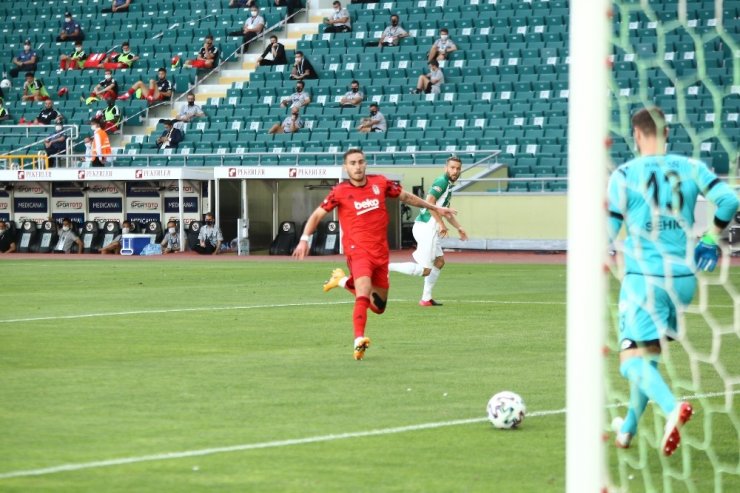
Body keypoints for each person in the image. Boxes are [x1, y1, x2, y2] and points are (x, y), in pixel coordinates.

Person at [607, 107, 739, 457]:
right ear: (667, 133)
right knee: (646, 359)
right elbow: (729, 200)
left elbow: (607, 232)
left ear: (636, 135)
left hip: (644, 280)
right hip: (682, 281)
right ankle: (627, 432)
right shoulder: (690, 167)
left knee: (630, 361)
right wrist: (710, 238)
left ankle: (672, 409)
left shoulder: (623, 174)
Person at [292, 149, 457, 360]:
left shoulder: (380, 183)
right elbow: (317, 214)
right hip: (357, 251)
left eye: (360, 162)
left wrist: (435, 208)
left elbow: (407, 197)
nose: (357, 166)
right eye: (352, 163)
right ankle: (358, 340)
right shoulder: (340, 191)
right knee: (363, 291)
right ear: (346, 167)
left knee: (378, 307)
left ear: (365, 163)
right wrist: (304, 238)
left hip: (380, 252)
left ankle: (341, 281)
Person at [389, 156, 467, 305]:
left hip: (429, 227)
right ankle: (386, 267)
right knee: (426, 270)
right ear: (446, 168)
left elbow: (444, 211)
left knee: (439, 262)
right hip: (426, 227)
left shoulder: (449, 185)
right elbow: (430, 202)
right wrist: (440, 224)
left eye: (458, 168)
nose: (455, 171)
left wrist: (459, 227)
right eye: (452, 167)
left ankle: (426, 298)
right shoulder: (441, 182)